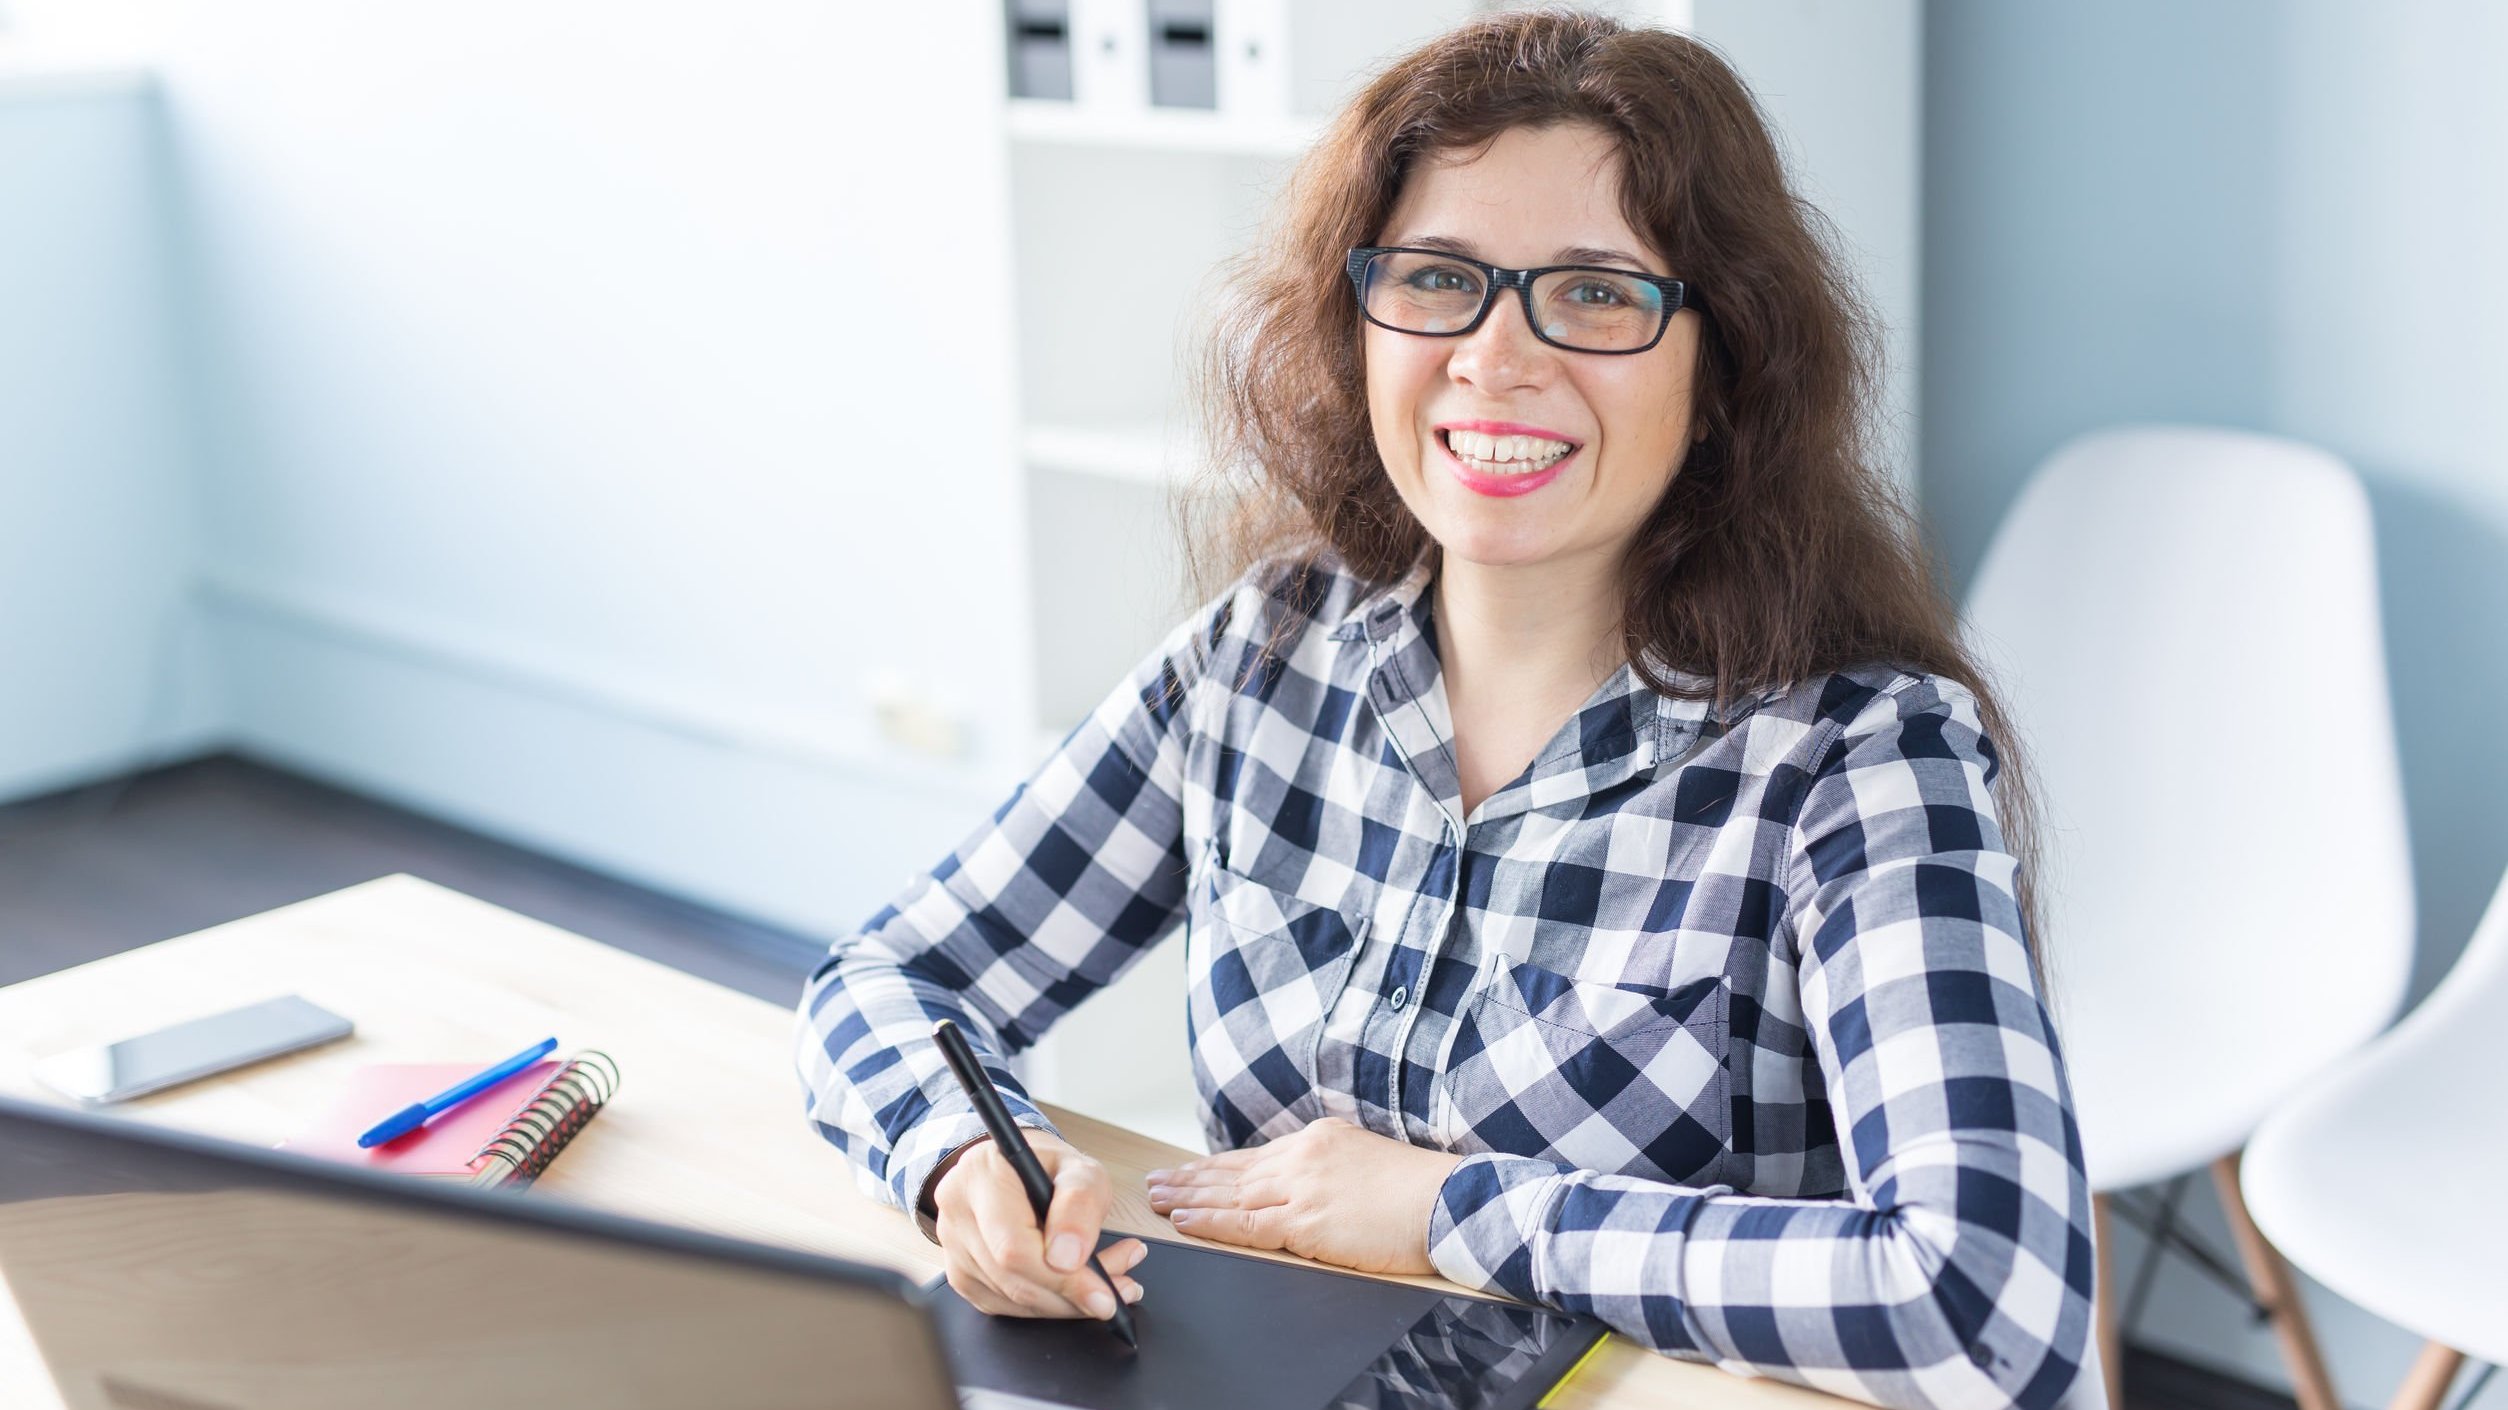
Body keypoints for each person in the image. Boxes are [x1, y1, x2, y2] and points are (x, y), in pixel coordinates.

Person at [794, 11, 2095, 1409]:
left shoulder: (1863, 756)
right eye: (1437, 278)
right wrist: (958, 1157)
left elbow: (1990, 1304)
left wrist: (1446, 1208)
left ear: (1724, 370)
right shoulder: (1265, 652)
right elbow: (890, 981)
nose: (1493, 356)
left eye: (1596, 293)